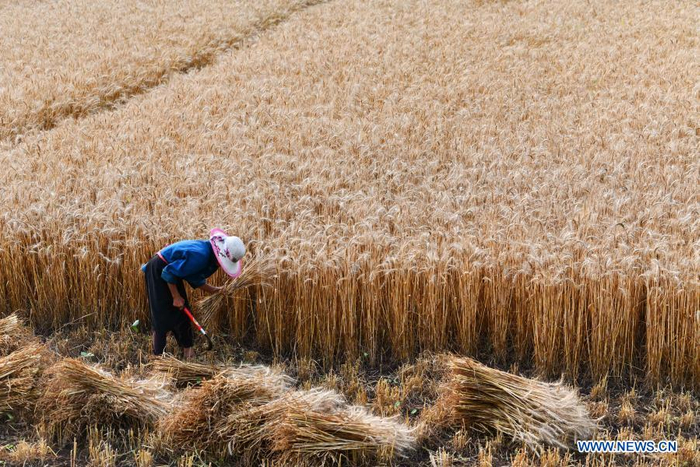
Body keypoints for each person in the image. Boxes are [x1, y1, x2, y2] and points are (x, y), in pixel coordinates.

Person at [142, 228, 245, 358]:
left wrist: (214, 290)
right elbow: (168, 272)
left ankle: (188, 353)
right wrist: (176, 296)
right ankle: (158, 358)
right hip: (158, 270)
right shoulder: (201, 256)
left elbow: (192, 276)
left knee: (183, 312)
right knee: (162, 315)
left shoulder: (207, 255)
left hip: (171, 273)